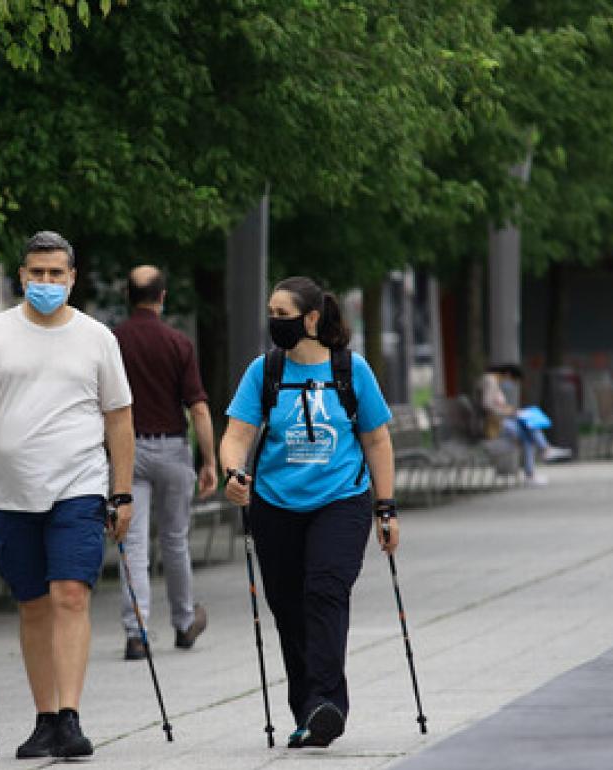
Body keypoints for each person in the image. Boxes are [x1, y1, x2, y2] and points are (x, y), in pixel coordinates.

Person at [0, 231, 135, 759]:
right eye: (36, 273)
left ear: (72, 277)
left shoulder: (97, 338)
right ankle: (44, 716)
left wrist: (121, 491)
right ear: (21, 276)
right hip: (10, 493)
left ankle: (70, 716)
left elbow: (119, 420)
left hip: (79, 486)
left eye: (55, 273)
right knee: (32, 603)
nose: (45, 282)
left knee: (71, 593)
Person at [219, 276, 399, 750]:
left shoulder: (351, 370)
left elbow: (377, 440)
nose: (274, 323)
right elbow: (237, 434)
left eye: (283, 314)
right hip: (275, 505)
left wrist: (386, 507)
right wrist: (233, 472)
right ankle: (308, 712)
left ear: (312, 318)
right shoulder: (265, 371)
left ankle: (328, 702)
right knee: (288, 608)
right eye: (271, 314)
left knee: (324, 590)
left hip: (341, 500)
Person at [112, 265, 218, 661]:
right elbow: (199, 409)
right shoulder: (178, 343)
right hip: (173, 448)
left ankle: (136, 633)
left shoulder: (112, 342)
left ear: (127, 296)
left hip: (127, 451)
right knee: (175, 540)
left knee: (133, 542)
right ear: (163, 297)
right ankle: (184, 622)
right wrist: (209, 461)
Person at [477, 363, 570, 486]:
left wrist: (513, 411)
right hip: (493, 425)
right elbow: (487, 405)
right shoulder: (490, 380)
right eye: (514, 381)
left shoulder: (492, 380)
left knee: (528, 431)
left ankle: (541, 456)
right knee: (529, 427)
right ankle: (543, 453)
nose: (512, 385)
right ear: (508, 375)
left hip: (497, 422)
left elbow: (493, 405)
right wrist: (511, 412)